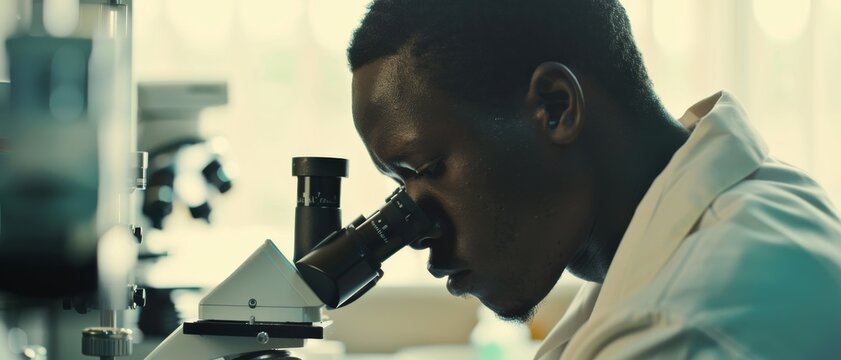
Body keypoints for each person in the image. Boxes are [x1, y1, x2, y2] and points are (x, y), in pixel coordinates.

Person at [346, 0, 841, 359]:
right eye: (400, 187)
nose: (416, 232)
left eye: (429, 169)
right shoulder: (742, 208)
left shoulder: (685, 324)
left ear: (555, 107)